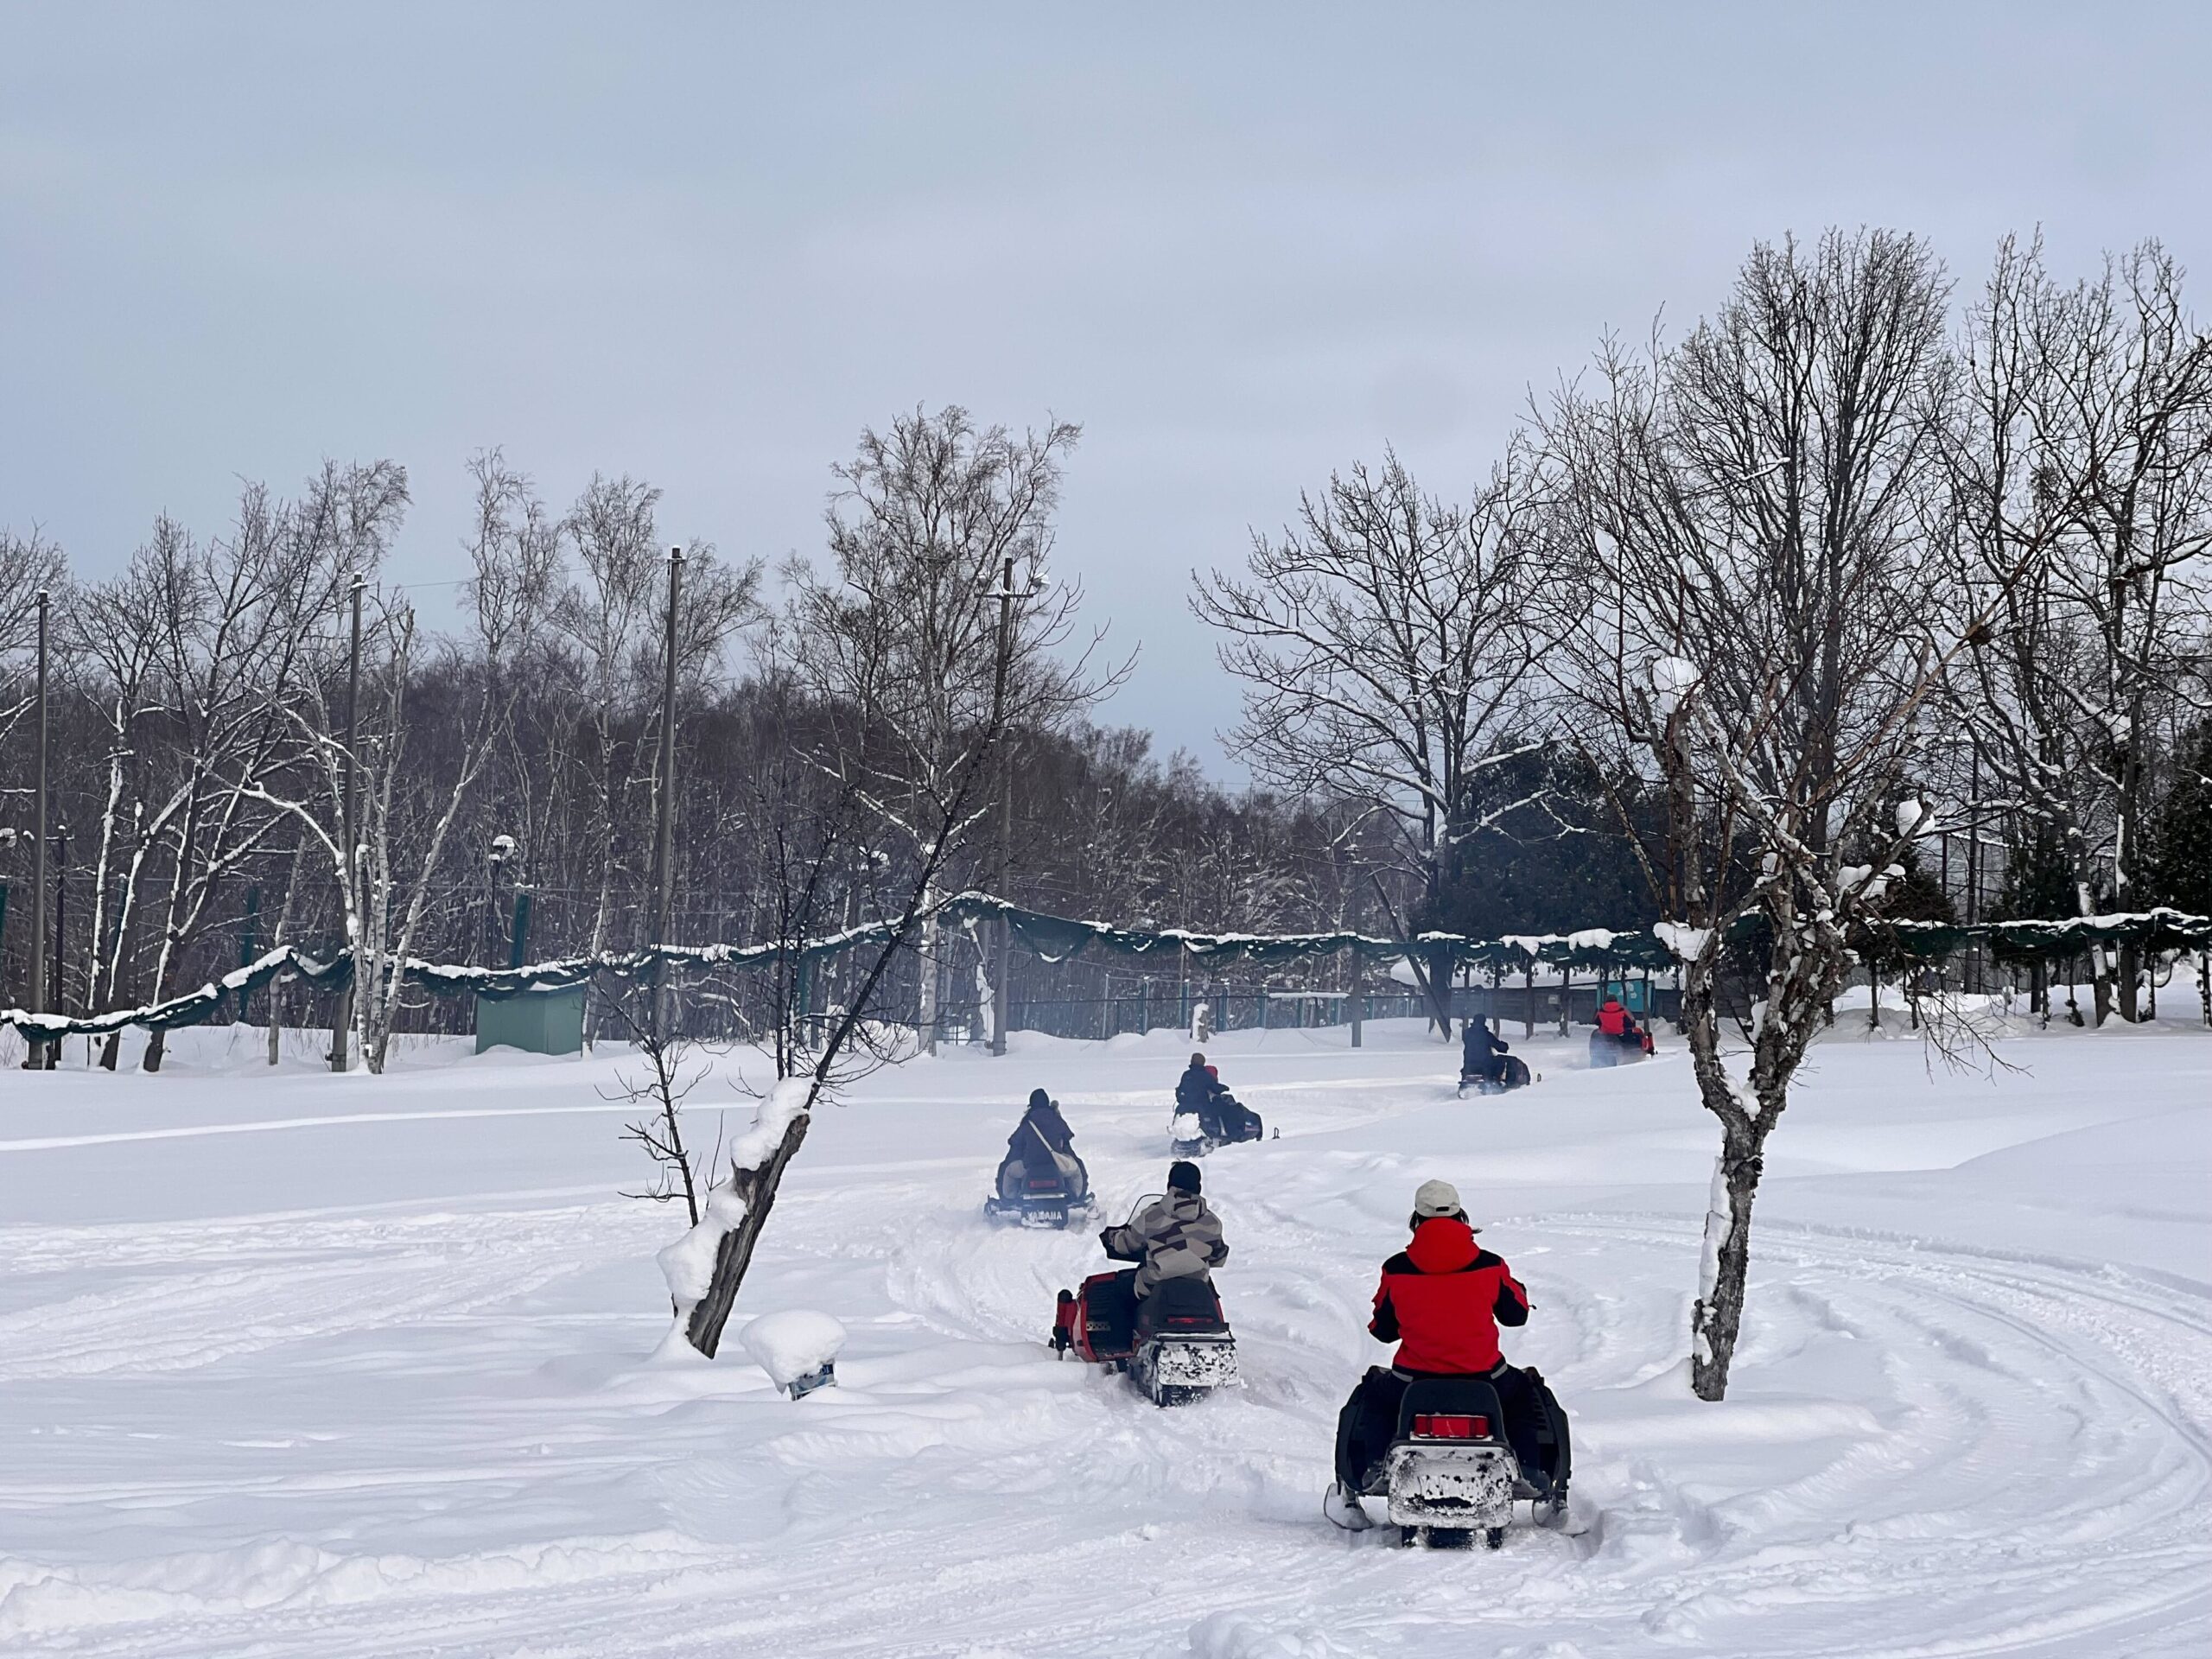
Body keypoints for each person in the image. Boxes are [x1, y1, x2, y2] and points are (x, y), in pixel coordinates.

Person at [1325, 1179, 1561, 1529]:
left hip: (1411, 1381)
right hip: (1487, 1379)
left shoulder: (1396, 1268)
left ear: (1416, 1219)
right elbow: (1516, 1316)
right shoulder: (1490, 1264)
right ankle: (1542, 1480)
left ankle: (1358, 1481)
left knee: (1370, 1395)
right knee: (1529, 1393)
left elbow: (1383, 1331)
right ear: (1460, 1214)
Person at [1093, 1160, 1230, 1347]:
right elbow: (1219, 1257)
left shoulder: (1153, 1215)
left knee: (1120, 1293)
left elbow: (1126, 1244)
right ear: (1198, 1187)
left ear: (1170, 1185)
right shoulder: (1212, 1221)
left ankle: (1122, 1349)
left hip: (1154, 1283)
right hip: (1197, 1283)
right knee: (1212, 1294)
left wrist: (1112, 1238)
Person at [997, 1088, 1087, 1201]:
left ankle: (1010, 1199)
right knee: (1077, 1169)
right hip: (1056, 1166)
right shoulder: (1057, 1120)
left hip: (1029, 1166)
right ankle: (1077, 1197)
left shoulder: (1027, 1123)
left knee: (1008, 1171)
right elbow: (1067, 1139)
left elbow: (1014, 1143)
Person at [1460, 1017, 1510, 1085]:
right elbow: (1499, 1047)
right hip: (1484, 1066)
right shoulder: (1487, 1035)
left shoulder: (1467, 1034)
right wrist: (1505, 1046)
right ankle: (1496, 1082)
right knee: (1501, 1061)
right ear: (1484, 1022)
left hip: (1468, 1065)